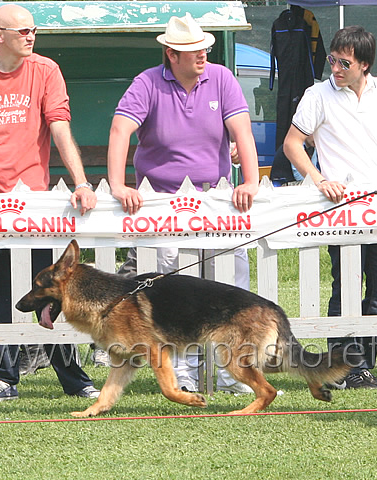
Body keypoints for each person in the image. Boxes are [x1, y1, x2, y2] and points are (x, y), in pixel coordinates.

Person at [107, 13, 259, 395]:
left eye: (203, 47)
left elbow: (242, 131)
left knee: (231, 284)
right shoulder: (147, 82)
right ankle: (184, 373)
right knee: (171, 292)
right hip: (161, 200)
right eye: (192, 50)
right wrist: (118, 183)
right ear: (171, 54)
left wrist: (252, 180)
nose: (202, 54)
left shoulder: (222, 78)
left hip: (217, 197)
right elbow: (120, 129)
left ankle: (232, 373)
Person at [284, 25, 377, 389]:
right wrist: (319, 178)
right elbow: (293, 144)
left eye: (344, 62)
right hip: (339, 207)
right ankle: (342, 368)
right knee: (344, 285)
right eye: (332, 59)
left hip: (376, 203)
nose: (336, 68)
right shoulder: (318, 94)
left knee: (376, 288)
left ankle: (362, 368)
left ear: (365, 65)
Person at [0, 4, 99, 402]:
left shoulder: (45, 70)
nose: (30, 37)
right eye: (21, 32)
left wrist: (81, 182)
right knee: (0, 294)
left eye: (33, 30)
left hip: (35, 205)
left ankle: (73, 378)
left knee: (51, 292)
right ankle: (4, 378)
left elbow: (60, 127)